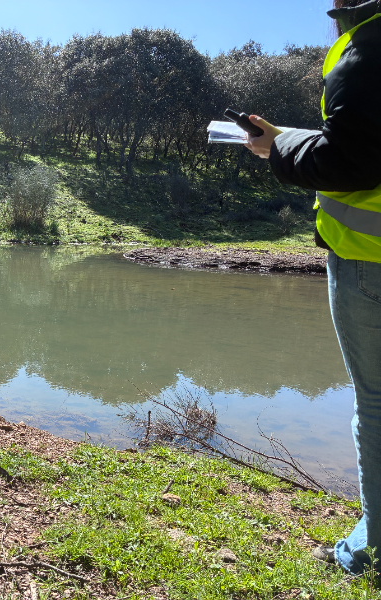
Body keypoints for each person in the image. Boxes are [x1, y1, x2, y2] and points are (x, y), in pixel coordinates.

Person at [246, 0, 381, 575]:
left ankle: (372, 548)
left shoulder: (367, 50)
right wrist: (290, 137)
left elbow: (351, 158)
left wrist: (276, 147)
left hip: (369, 261)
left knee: (376, 403)